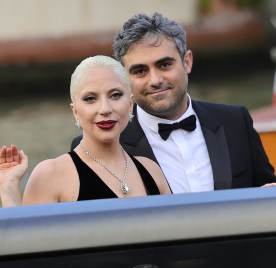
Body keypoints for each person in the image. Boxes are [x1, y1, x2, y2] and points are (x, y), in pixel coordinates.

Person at [71, 12, 276, 193]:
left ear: (187, 62)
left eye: (165, 64)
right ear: (124, 78)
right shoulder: (98, 143)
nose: (155, 80)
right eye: (140, 70)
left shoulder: (235, 121)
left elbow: (267, 192)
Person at [0, 55, 171, 207]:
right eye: (90, 99)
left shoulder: (151, 170)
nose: (105, 109)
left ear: (130, 104)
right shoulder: (50, 175)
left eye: (115, 95)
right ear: (75, 111)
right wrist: (7, 188)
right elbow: (28, 240)